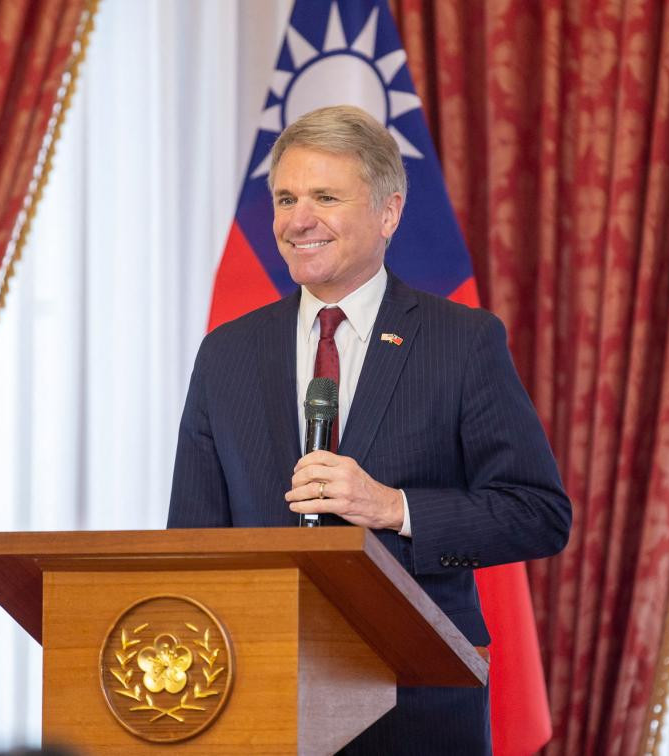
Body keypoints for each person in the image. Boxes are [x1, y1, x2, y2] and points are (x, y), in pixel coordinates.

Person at [168, 105, 571, 755]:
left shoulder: (461, 342)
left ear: (388, 212)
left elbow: (539, 514)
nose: (299, 220)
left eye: (325, 197)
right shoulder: (226, 354)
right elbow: (189, 545)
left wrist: (392, 508)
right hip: (257, 702)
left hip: (414, 704)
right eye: (286, 198)